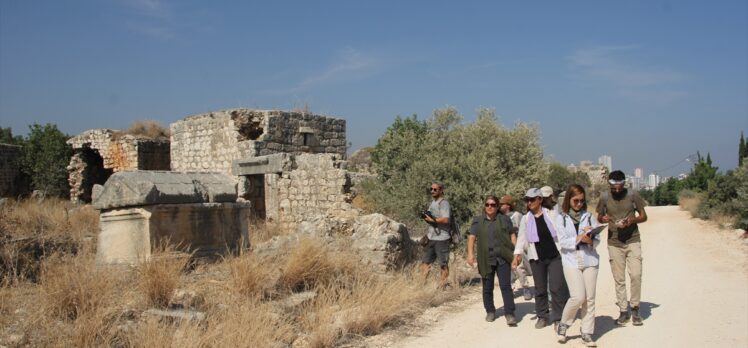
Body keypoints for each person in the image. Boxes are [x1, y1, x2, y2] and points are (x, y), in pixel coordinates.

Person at [596, 170, 648, 326]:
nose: (617, 190)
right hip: (614, 242)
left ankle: (636, 308)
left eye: (619, 187)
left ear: (624, 184)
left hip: (633, 239)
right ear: (610, 185)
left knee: (636, 275)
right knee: (619, 279)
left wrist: (632, 220)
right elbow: (599, 216)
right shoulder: (605, 197)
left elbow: (644, 216)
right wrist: (603, 218)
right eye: (614, 188)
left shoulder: (633, 195)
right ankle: (623, 311)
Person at [512, 188, 569, 329]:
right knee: (540, 288)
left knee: (556, 287)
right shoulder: (526, 219)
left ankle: (558, 317)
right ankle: (542, 316)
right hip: (536, 258)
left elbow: (561, 233)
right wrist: (517, 255)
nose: (529, 202)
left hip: (554, 256)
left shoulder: (551, 214)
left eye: (532, 199)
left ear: (540, 200)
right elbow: (521, 238)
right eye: (527, 200)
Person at [555, 184, 600, 347]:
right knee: (578, 296)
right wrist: (579, 238)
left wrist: (591, 240)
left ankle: (587, 332)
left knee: (589, 298)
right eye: (576, 201)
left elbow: (597, 239)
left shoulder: (588, 216)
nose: (579, 204)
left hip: (589, 260)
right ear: (569, 200)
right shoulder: (561, 218)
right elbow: (562, 242)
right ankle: (564, 324)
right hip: (571, 261)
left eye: (582, 201)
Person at [467, 195, 518, 326]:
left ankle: (510, 313)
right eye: (487, 205)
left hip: (502, 257)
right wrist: (470, 254)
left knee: (505, 286)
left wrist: (516, 254)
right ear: (485, 206)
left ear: (497, 206)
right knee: (487, 287)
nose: (490, 207)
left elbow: (512, 234)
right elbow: (472, 237)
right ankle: (490, 310)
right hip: (486, 258)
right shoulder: (478, 221)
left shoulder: (504, 219)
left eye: (493, 205)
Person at [500, 194, 533, 301]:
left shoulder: (517, 215)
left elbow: (522, 230)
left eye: (502, 204)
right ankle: (511, 288)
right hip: (505, 247)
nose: (500, 206)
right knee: (508, 269)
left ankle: (525, 287)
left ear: (508, 205)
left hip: (516, 245)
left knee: (519, 268)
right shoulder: (500, 217)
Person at [420, 181, 452, 288]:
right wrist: (426, 217)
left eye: (435, 189)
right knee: (425, 262)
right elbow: (430, 218)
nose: (432, 191)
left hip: (442, 238)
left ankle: (442, 286)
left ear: (441, 190)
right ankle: (422, 285)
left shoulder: (444, 203)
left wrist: (433, 220)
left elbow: (446, 219)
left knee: (443, 264)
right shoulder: (433, 203)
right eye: (431, 189)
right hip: (431, 237)